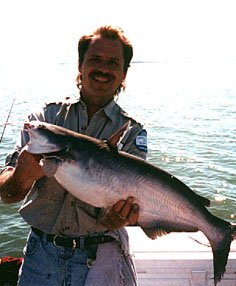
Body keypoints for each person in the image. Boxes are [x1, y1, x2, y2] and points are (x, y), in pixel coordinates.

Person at [0, 26, 147, 285]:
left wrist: (115, 218)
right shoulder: (43, 120)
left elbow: (130, 208)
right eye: (95, 60)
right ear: (80, 65)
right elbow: (7, 195)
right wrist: (21, 177)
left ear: (124, 72)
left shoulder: (132, 131)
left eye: (113, 63)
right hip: (41, 257)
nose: (103, 69)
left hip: (102, 256)